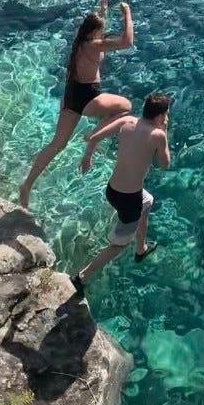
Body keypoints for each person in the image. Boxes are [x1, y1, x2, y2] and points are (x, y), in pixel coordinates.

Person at [19, 0, 134, 209]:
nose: (103, 33)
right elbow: (127, 42)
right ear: (93, 33)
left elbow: (96, 26)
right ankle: (93, 137)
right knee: (126, 107)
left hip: (71, 96)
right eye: (101, 30)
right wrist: (126, 13)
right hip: (90, 98)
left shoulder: (79, 40)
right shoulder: (94, 45)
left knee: (57, 144)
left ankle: (26, 185)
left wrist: (102, 10)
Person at [71, 92, 173, 298]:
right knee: (118, 246)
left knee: (148, 201)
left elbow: (94, 137)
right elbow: (164, 164)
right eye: (166, 115)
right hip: (129, 199)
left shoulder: (127, 121)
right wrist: (165, 132)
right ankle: (81, 277)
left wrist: (87, 157)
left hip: (113, 191)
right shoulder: (158, 135)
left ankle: (141, 248)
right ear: (160, 116)